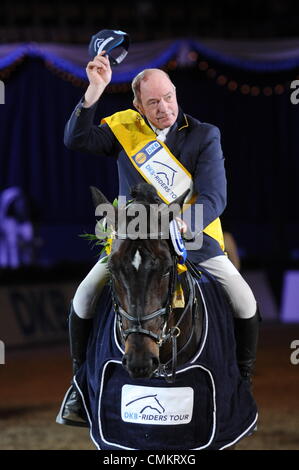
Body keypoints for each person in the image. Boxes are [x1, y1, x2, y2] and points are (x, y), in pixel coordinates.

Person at [56, 52, 260, 427]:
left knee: (244, 299)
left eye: (168, 97)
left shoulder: (203, 134)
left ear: (176, 94)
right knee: (84, 296)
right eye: (153, 102)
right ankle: (79, 388)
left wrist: (186, 221)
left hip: (191, 238)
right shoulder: (124, 129)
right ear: (138, 105)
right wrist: (94, 90)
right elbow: (76, 138)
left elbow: (216, 195)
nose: (164, 107)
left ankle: (241, 384)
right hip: (133, 235)